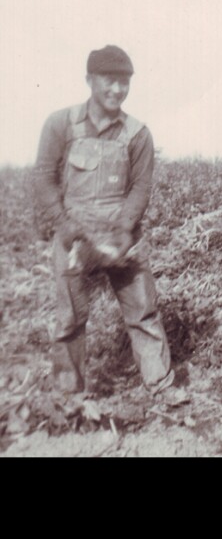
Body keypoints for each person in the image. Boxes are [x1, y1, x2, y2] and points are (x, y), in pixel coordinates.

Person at [32, 45, 175, 396]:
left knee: (143, 311)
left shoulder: (138, 133)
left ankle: (162, 385)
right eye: (109, 81)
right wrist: (64, 226)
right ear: (89, 80)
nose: (117, 90)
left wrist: (125, 229)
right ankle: (69, 397)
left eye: (124, 82)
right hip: (75, 235)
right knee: (70, 320)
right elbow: (44, 178)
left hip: (121, 235)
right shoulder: (60, 124)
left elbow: (141, 187)